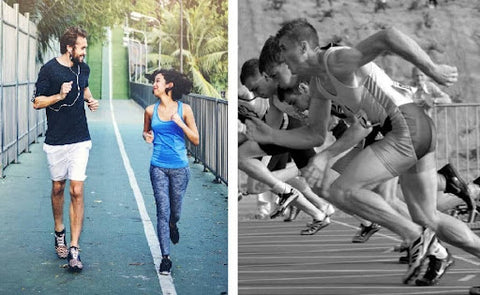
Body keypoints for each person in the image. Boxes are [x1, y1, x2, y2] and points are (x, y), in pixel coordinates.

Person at [251, 18, 480, 286]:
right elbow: (314, 133)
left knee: (341, 190)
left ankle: (416, 237)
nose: (284, 63)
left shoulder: (334, 60)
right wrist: (272, 135)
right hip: (413, 126)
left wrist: (433, 70)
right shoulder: (317, 85)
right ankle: (423, 234)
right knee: (427, 216)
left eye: (284, 54)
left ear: (303, 48)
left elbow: (388, 35)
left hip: (404, 124)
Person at [32, 27, 99, 272]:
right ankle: (59, 232)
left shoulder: (84, 68)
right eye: (81, 47)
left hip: (80, 138)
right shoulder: (49, 70)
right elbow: (37, 102)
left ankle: (74, 248)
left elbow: (85, 87)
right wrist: (59, 96)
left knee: (77, 189)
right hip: (56, 140)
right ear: (69, 48)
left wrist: (90, 100)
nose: (84, 51)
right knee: (58, 187)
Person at [143, 69, 199, 275]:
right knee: (162, 211)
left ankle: (173, 224)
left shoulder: (185, 110)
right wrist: (146, 136)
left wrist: (179, 122)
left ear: (169, 85)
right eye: (154, 81)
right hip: (157, 166)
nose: (154, 84)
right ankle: (165, 257)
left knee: (174, 212)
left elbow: (195, 140)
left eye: (158, 81)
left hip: (180, 169)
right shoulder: (150, 110)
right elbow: (146, 131)